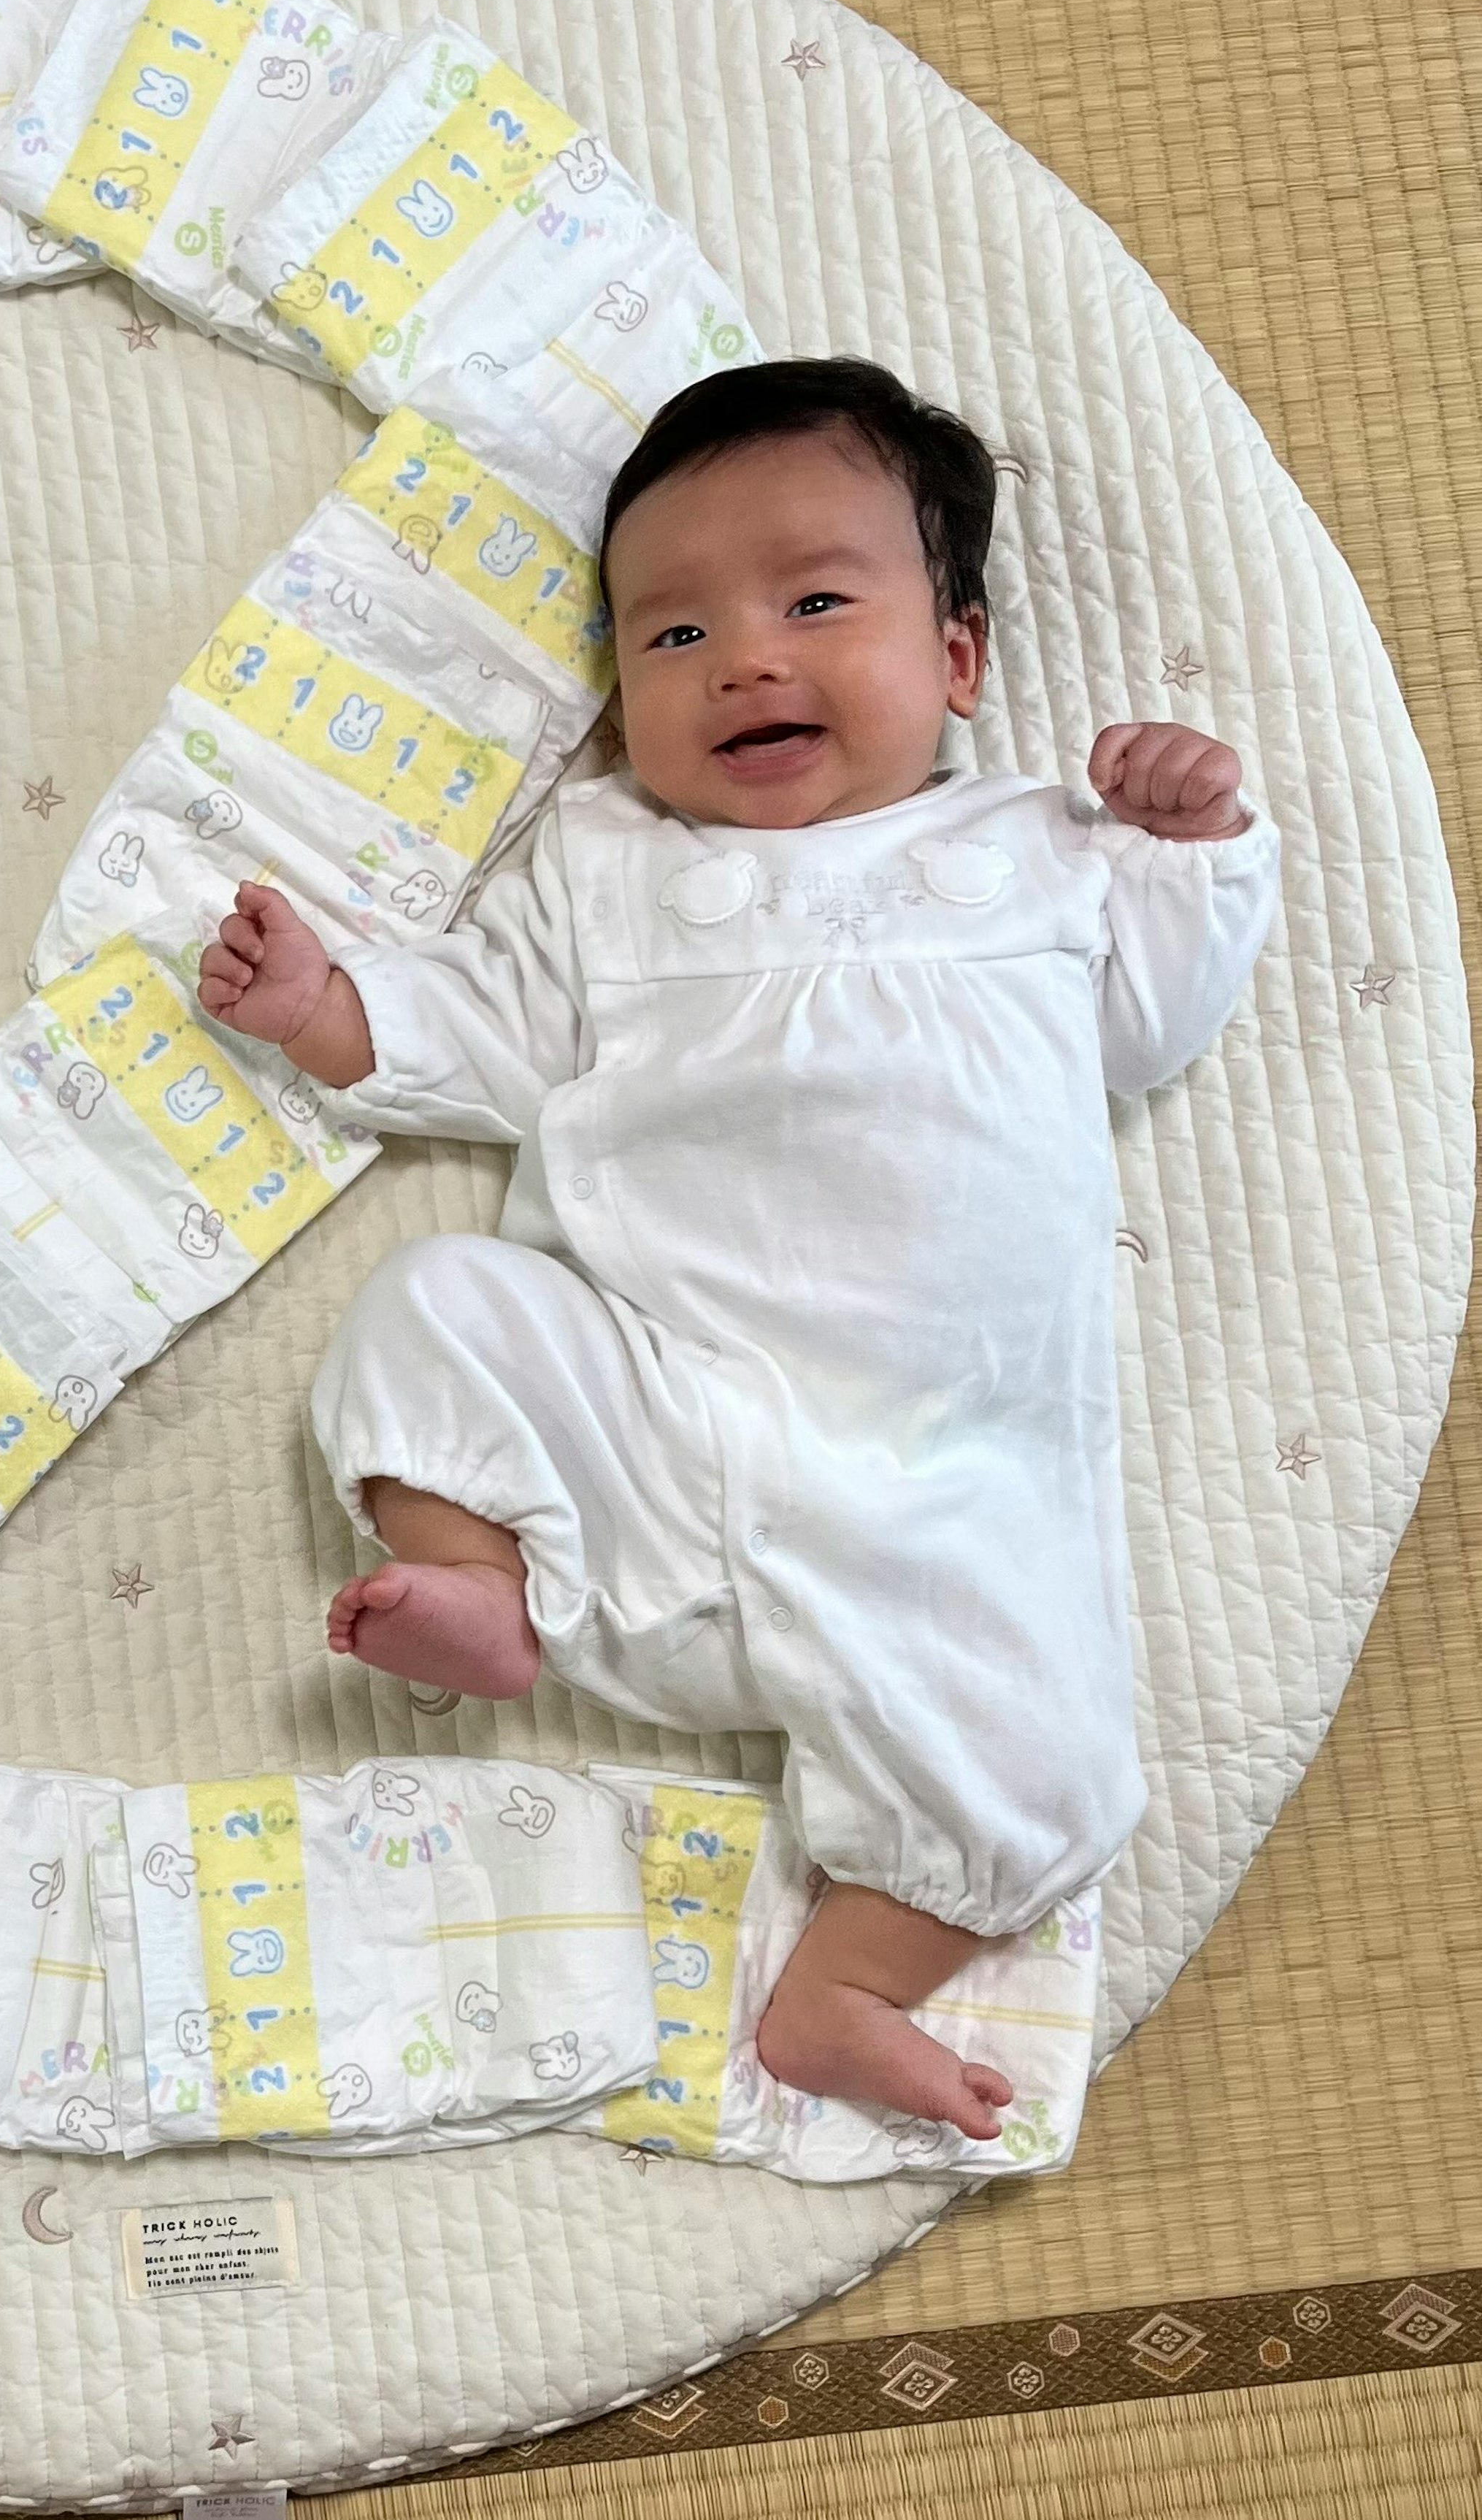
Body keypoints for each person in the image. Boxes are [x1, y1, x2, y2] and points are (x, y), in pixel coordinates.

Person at [196, 356, 1281, 2140]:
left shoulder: (1034, 853)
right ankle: (481, 1586)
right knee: (441, 1313)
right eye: (671, 636)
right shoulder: (609, 862)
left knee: (1053, 1764)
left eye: (816, 601)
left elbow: (1153, 1021)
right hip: (665, 1428)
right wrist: (329, 1007)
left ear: (958, 656)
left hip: (944, 1481)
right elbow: (485, 1030)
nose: (744, 658)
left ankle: (844, 1987)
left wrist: (1189, 840)